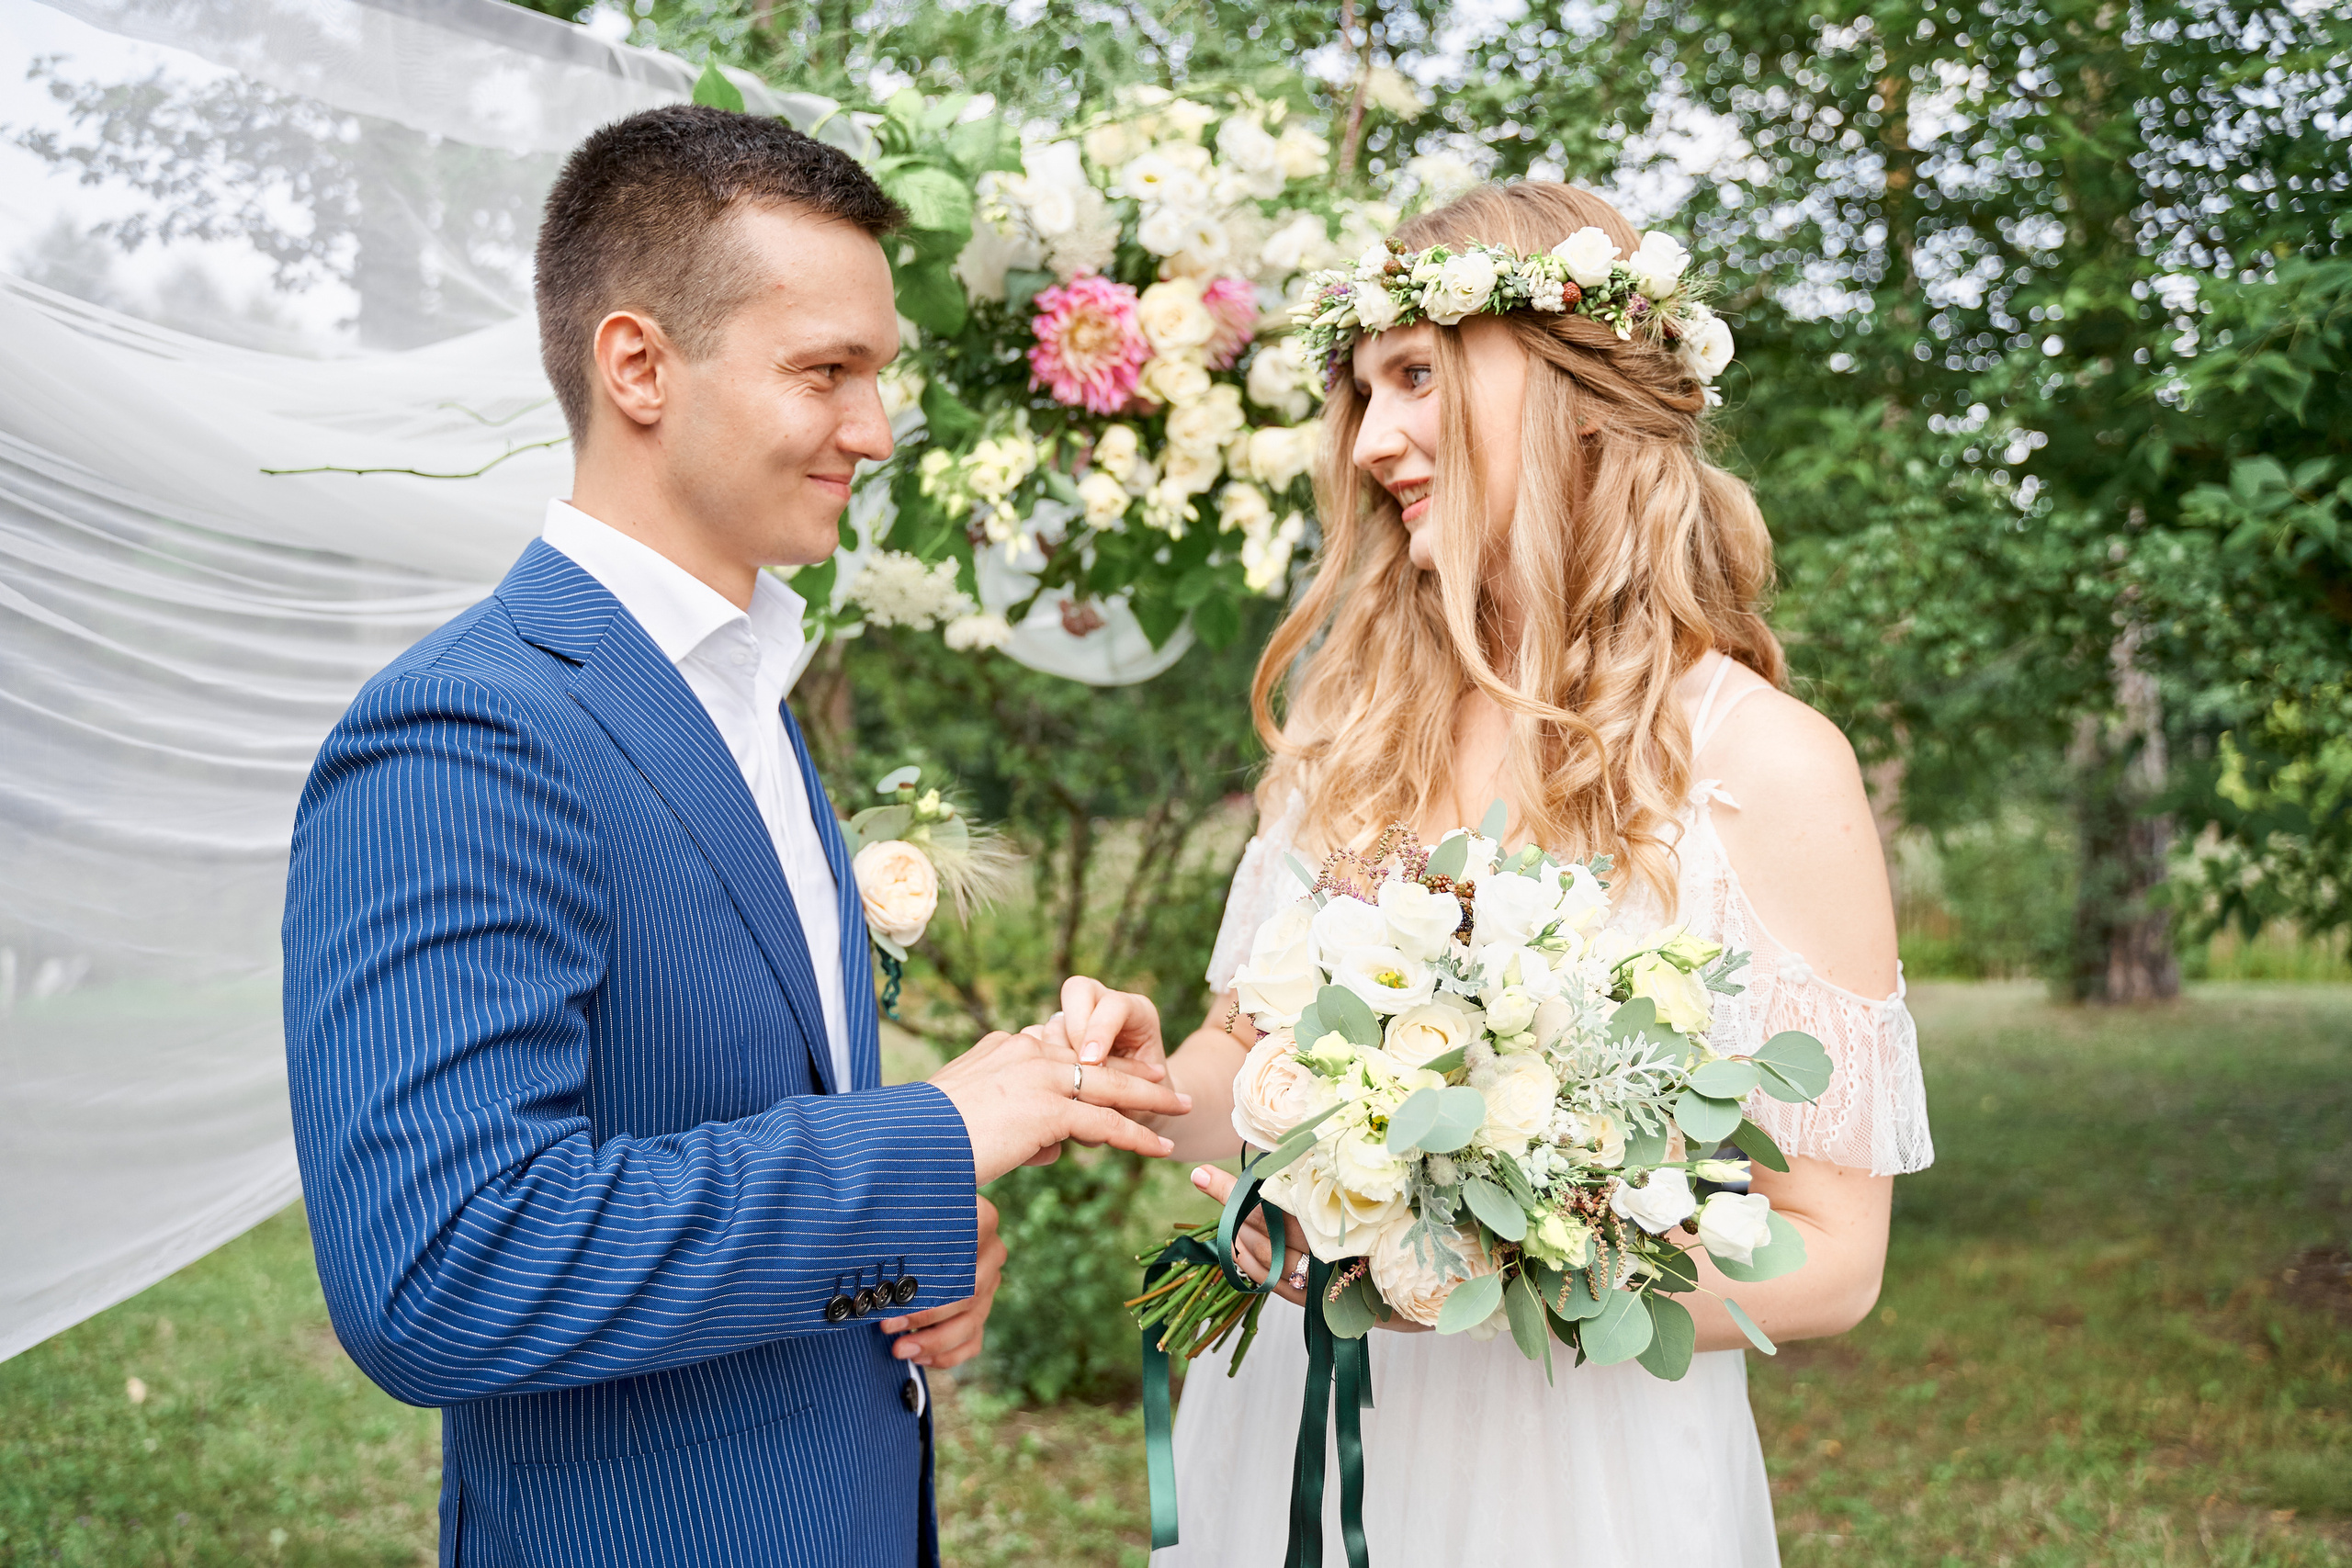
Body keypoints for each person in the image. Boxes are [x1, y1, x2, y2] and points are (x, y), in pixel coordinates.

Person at [281, 105, 1183, 1568]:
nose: (877, 431)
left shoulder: (742, 684)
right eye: (827, 372)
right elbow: (444, 1269)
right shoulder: (467, 730)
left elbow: (752, 1109)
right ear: (637, 364)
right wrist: (933, 1136)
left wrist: (913, 1244)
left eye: (876, 376)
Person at [1065, 182, 1936, 1565]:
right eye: (1361, 393)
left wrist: (1488, 1276)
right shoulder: (1346, 740)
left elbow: (1834, 1254)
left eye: (1415, 377)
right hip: (1305, 1436)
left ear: (1568, 390)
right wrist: (1146, 1080)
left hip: (1580, 1475)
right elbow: (1249, 1076)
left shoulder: (1762, 765)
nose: (1374, 442)